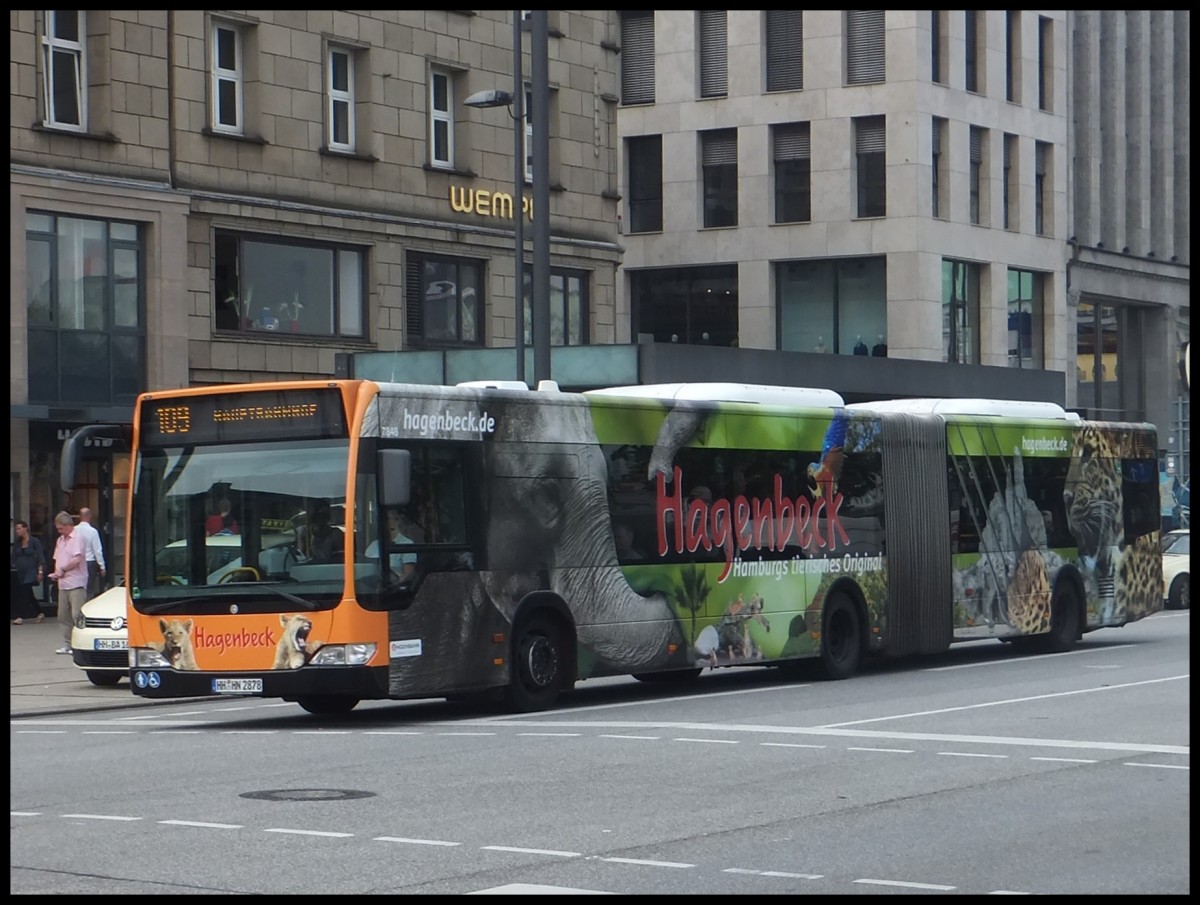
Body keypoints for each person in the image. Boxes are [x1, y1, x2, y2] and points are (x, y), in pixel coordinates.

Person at [47, 510, 89, 655]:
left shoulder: (78, 538)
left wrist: (63, 569)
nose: (59, 531)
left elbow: (77, 559)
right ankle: (68, 643)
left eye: (60, 528)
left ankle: (80, 644)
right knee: (63, 614)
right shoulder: (60, 540)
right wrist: (57, 572)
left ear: (68, 525)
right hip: (63, 583)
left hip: (76, 581)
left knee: (76, 614)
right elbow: (57, 558)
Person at [365, 507, 417, 581]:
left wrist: (395, 586)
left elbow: (408, 574)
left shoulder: (407, 544)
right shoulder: (373, 545)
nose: (384, 522)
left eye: (387, 519)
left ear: (397, 521)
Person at [11, 520, 46, 624]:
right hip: (21, 571)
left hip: (31, 570)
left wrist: (40, 571)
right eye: (16, 529)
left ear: (25, 528)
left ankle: (20, 616)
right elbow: (14, 556)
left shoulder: (34, 541)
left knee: (24, 591)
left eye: (19, 528)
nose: (17, 531)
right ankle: (40, 612)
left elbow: (40, 557)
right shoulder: (18, 542)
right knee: (29, 594)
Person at [75, 506, 106, 597]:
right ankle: (87, 606)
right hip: (89, 561)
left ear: (80, 517)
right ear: (89, 516)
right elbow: (97, 550)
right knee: (89, 588)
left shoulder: (74, 530)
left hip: (76, 561)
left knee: (78, 587)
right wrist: (102, 566)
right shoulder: (93, 532)